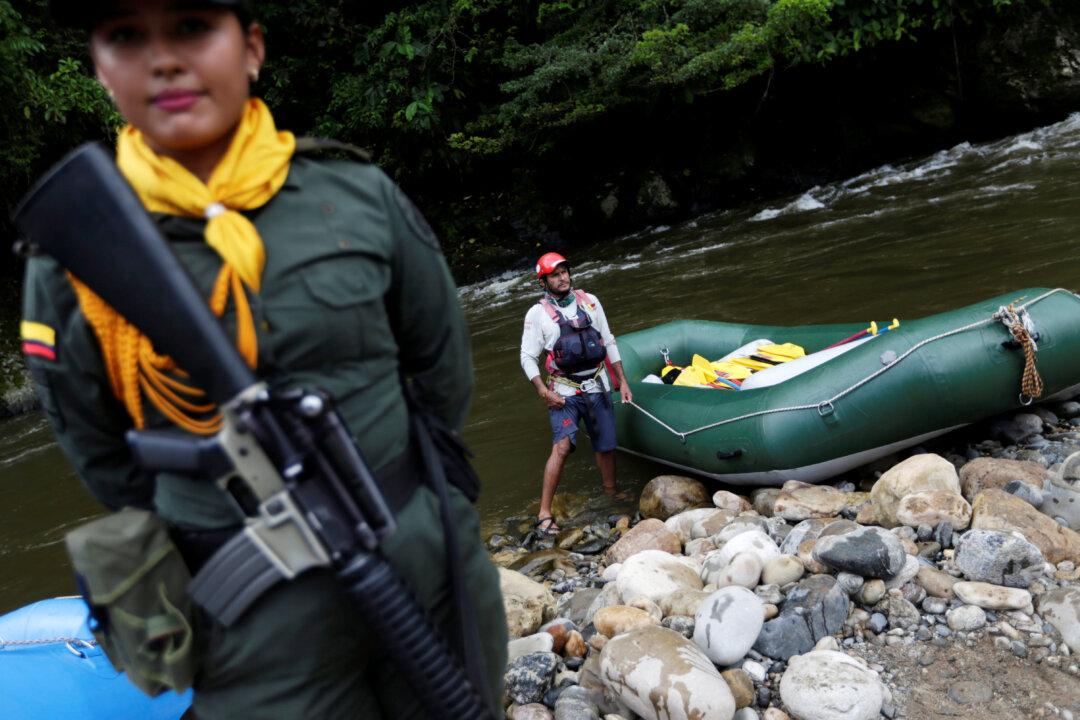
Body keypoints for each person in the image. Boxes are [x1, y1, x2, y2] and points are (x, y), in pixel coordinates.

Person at [20, 1, 506, 717]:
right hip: (251, 622)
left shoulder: (353, 194)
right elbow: (104, 456)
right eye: (126, 37)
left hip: (426, 570)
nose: (164, 60)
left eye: (191, 27)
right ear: (99, 68)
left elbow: (442, 374)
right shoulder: (73, 260)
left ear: (250, 48)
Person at [519, 252, 633, 535]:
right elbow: (526, 357)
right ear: (543, 281)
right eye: (555, 275)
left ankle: (611, 494)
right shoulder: (537, 314)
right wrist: (544, 391)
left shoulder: (590, 302)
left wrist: (622, 380)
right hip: (563, 392)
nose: (562, 278)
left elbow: (608, 340)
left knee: (606, 447)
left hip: (597, 384)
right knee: (562, 446)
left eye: (564, 272)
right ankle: (545, 513)